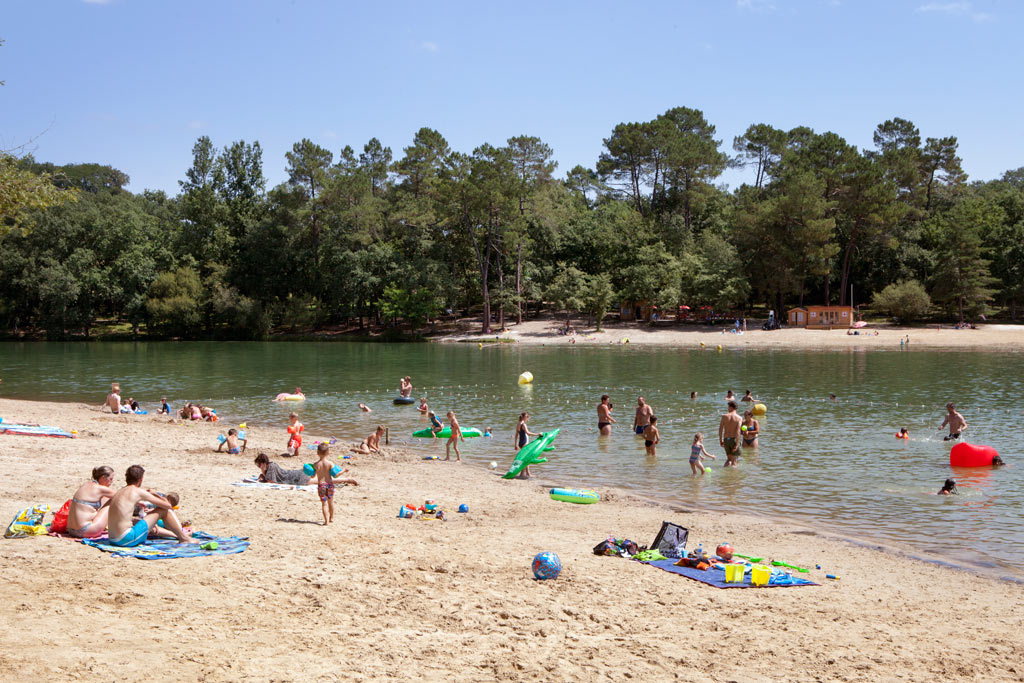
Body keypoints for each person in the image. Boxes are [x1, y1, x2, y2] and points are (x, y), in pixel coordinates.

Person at [106, 465, 194, 547]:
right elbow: (168, 506)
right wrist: (155, 494)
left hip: (112, 539)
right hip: (125, 539)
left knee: (140, 520)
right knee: (163, 510)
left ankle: (180, 535)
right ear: (141, 479)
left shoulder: (120, 491)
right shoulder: (137, 491)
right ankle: (184, 538)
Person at [312, 443, 358, 525]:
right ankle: (331, 518)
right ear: (328, 452)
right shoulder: (330, 463)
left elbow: (312, 476)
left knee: (324, 504)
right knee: (330, 502)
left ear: (317, 453)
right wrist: (343, 470)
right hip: (329, 484)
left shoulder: (315, 464)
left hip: (321, 485)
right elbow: (336, 475)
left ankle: (326, 521)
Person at [67, 466, 116, 538]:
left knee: (106, 498)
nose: (112, 482)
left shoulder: (86, 485)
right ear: (103, 478)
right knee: (114, 500)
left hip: (70, 530)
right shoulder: (100, 489)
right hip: (85, 531)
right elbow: (122, 497)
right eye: (110, 479)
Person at [515, 412, 540, 478]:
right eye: (528, 417)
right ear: (525, 417)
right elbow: (528, 433)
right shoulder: (523, 425)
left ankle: (528, 473)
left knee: (526, 458)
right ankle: (522, 474)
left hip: (520, 443)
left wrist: (515, 444)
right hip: (525, 443)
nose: (528, 419)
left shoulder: (518, 424)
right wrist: (537, 434)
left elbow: (516, 435)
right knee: (525, 459)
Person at [719, 401, 743, 467]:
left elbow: (720, 430)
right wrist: (737, 444)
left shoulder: (724, 416)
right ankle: (733, 476)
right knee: (734, 462)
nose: (728, 409)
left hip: (726, 440)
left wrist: (721, 440)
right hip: (734, 440)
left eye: (728, 407)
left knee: (729, 460)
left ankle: (725, 473)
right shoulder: (739, 418)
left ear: (731, 407)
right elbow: (738, 432)